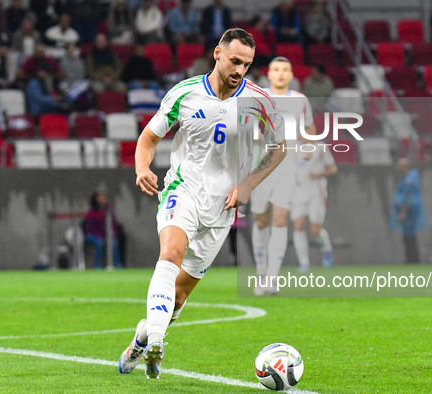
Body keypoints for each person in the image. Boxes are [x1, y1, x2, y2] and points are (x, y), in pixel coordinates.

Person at [117, 28, 286, 379]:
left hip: (222, 208)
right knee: (170, 252)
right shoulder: (185, 93)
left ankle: (143, 336)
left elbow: (279, 146)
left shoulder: (259, 101)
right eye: (235, 61)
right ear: (217, 54)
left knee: (179, 296)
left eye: (247, 64)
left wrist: (249, 183)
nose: (240, 70)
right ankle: (157, 343)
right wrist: (142, 167)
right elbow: (149, 137)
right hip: (184, 191)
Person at [251, 56, 315, 295]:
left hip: (288, 166)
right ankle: (260, 273)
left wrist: (308, 147)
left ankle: (271, 278)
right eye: (276, 70)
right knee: (261, 220)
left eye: (285, 70)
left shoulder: (300, 100)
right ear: (269, 73)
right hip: (260, 166)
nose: (280, 74)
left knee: (280, 219)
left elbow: (308, 127)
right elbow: (244, 125)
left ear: (291, 74)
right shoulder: (257, 97)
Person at [292, 138, 337, 272]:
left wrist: (317, 174)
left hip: (316, 191)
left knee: (315, 230)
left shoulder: (321, 147)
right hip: (298, 191)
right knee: (298, 226)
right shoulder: (291, 147)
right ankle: (304, 263)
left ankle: (327, 249)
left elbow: (333, 169)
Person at [389, 158, 426, 264]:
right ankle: (411, 258)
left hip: (409, 212)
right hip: (407, 211)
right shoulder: (406, 178)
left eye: (399, 165)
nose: (397, 167)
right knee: (408, 236)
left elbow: (409, 197)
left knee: (409, 236)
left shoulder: (410, 179)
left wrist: (403, 212)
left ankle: (412, 259)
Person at [85, 190, 123, 269]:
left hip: (106, 235)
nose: (103, 199)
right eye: (100, 197)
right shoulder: (92, 210)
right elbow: (91, 228)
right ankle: (97, 265)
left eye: (103, 197)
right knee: (99, 243)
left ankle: (117, 264)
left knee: (113, 243)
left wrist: (112, 233)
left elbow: (113, 224)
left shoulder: (108, 209)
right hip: (93, 235)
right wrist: (101, 236)